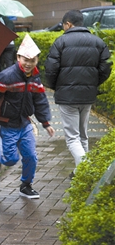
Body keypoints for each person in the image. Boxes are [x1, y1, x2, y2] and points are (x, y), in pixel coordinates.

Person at [45, 10, 112, 179]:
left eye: (63, 26)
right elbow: (106, 67)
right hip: (87, 96)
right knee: (83, 135)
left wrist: (57, 87)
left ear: (68, 24)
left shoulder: (60, 42)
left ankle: (85, 171)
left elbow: (51, 71)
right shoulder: (98, 42)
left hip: (68, 97)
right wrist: (92, 84)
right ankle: (78, 173)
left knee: (72, 138)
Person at [0, 34, 55, 199]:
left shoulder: (35, 77)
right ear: (18, 57)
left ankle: (26, 185)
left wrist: (46, 123)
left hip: (25, 123)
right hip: (7, 124)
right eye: (25, 59)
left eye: (32, 59)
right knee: (11, 159)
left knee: (31, 156)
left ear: (37, 60)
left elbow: (40, 100)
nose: (28, 63)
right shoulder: (7, 76)